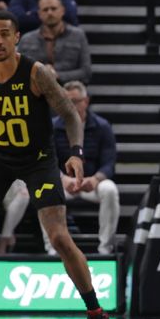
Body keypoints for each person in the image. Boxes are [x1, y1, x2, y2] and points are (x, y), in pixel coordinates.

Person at [0, 10, 111, 319]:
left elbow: (70, 113)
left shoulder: (36, 72)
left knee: (59, 238)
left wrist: (75, 152)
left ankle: (95, 313)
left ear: (16, 38)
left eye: (5, 34)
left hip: (38, 160)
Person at [45, 81, 118, 255]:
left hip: (91, 182)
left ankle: (105, 248)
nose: (71, 106)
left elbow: (110, 162)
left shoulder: (103, 126)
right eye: (66, 101)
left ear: (86, 101)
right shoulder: (53, 127)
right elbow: (47, 160)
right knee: (45, 191)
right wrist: (63, 179)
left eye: (76, 101)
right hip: (65, 182)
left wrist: (96, 179)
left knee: (110, 190)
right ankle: (52, 249)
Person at [17, 0, 90, 83]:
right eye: (45, 10)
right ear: (39, 14)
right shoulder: (26, 39)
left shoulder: (78, 35)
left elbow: (86, 72)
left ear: (62, 10)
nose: (50, 13)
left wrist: (57, 74)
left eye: (53, 8)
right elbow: (19, 72)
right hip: (36, 90)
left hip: (70, 89)